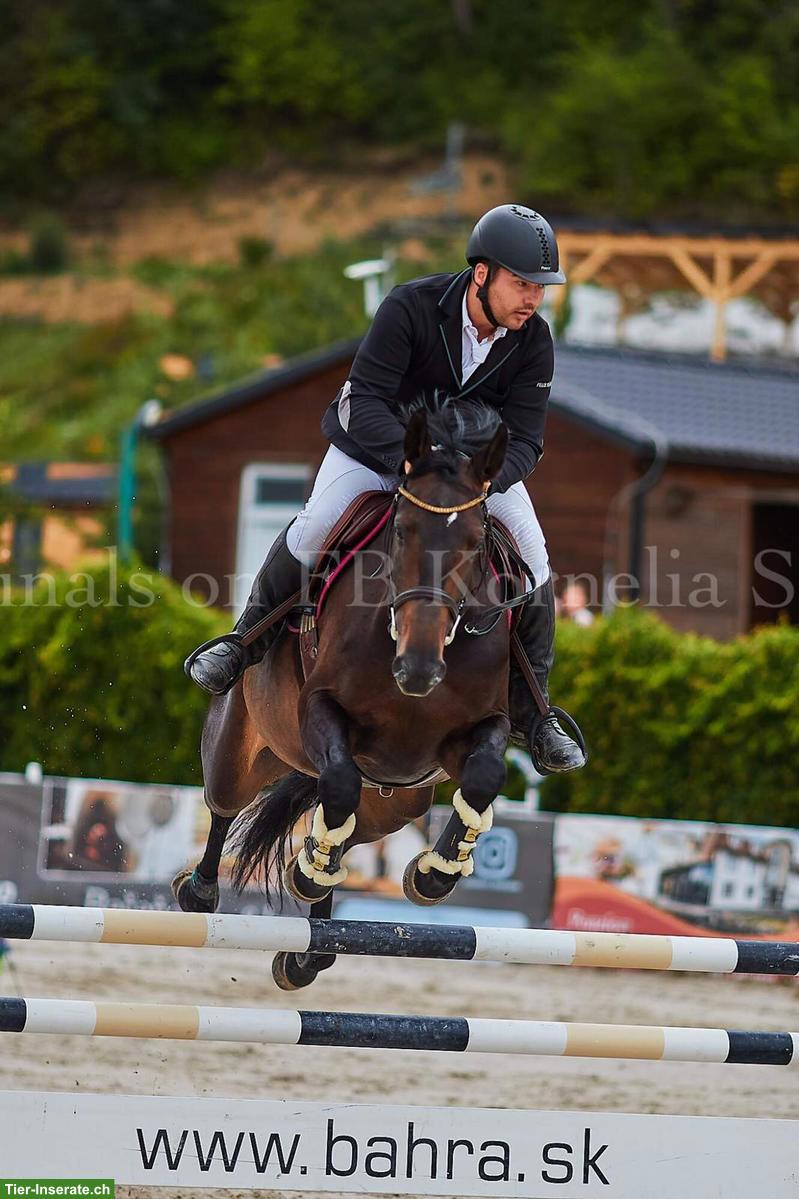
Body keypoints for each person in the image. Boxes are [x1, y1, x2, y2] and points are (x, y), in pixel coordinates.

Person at [186, 204, 585, 774]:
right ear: (481, 274)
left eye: (540, 288)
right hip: (380, 452)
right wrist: (409, 460)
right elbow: (365, 397)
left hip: (470, 476)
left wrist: (487, 479)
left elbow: (527, 438)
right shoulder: (411, 307)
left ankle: (535, 714)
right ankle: (241, 643)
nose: (532, 299)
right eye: (522, 283)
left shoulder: (534, 341)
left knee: (536, 556)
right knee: (318, 524)